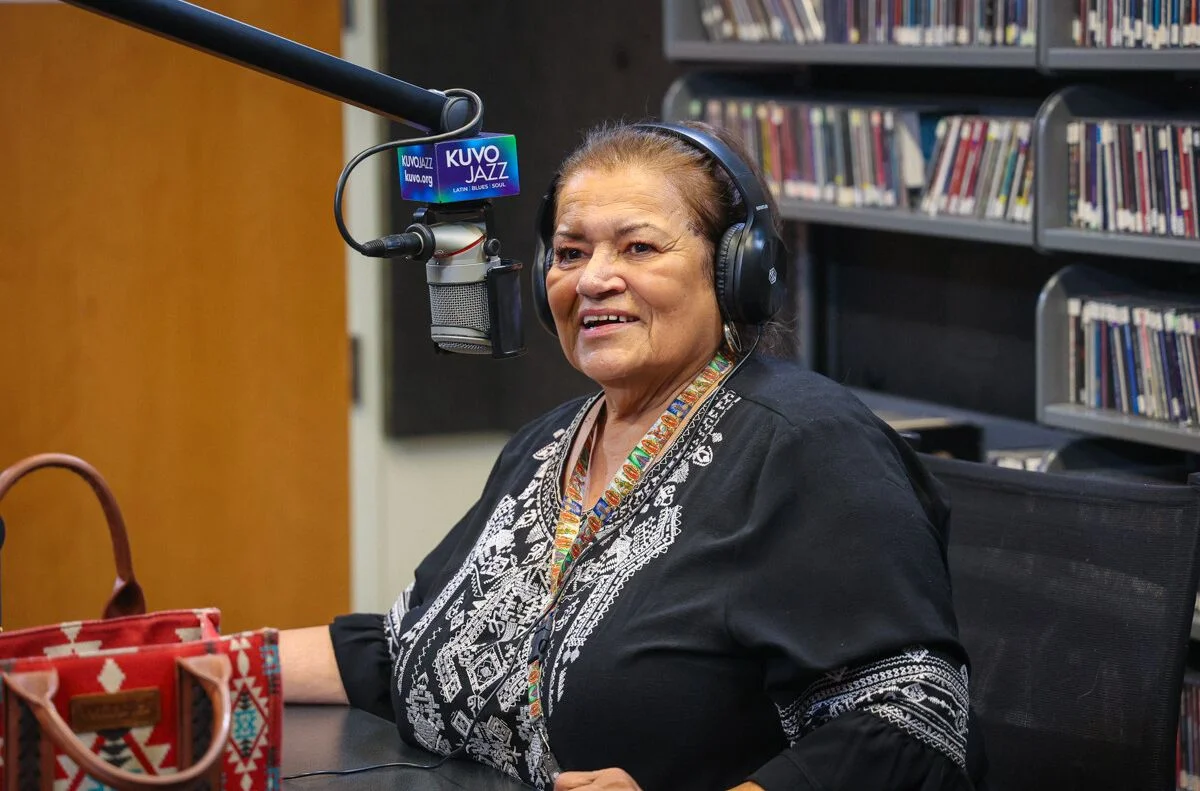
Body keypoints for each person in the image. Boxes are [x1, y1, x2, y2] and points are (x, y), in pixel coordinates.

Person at [278, 120, 987, 791]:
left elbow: (914, 722)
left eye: (638, 248)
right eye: (570, 252)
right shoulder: (547, 442)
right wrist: (231, 662)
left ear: (735, 270)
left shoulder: (808, 443)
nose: (592, 279)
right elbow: (409, 649)